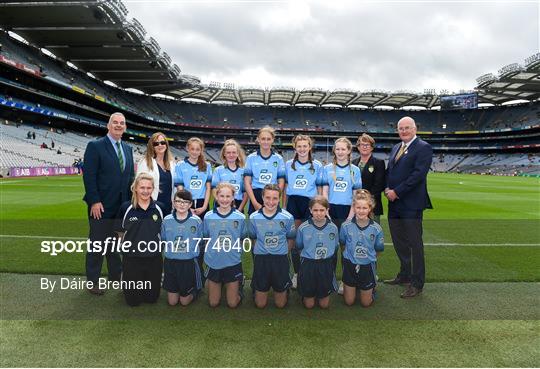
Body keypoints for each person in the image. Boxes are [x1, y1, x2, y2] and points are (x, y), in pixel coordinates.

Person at [82, 112, 134, 295]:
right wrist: (94, 201)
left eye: (122, 123)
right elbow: (89, 176)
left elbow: (130, 178)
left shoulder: (128, 149)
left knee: (115, 244)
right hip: (101, 206)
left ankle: (115, 275)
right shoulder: (95, 146)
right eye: (115, 122)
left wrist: (130, 203)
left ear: (125, 127)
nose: (119, 125)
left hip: (121, 206)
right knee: (97, 244)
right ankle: (93, 281)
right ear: (108, 125)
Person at [384, 116, 433, 298]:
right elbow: (391, 171)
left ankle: (417, 283)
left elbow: (418, 175)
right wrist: (387, 188)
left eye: (407, 128)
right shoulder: (397, 147)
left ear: (415, 129)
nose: (403, 131)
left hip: (411, 204)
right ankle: (404, 275)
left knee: (414, 244)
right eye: (400, 128)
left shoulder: (423, 147)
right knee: (399, 242)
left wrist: (397, 191)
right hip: (394, 203)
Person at [115, 173, 164, 307]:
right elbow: (120, 231)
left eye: (149, 188)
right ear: (135, 188)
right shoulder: (126, 207)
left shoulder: (160, 208)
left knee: (151, 299)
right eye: (142, 187)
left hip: (153, 257)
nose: (145, 191)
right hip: (132, 258)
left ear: (153, 189)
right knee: (133, 301)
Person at [284, 134, 323, 289]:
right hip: (293, 202)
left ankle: (309, 272)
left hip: (310, 203)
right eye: (299, 146)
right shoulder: (288, 164)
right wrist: (284, 207)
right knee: (294, 239)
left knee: (309, 238)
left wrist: (320, 206)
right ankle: (297, 274)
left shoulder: (317, 165)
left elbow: (319, 188)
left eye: (304, 146)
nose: (302, 149)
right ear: (295, 147)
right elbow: (286, 189)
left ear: (309, 147)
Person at [249, 184, 296, 309]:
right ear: (262, 198)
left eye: (275, 198)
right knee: (260, 304)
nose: (271, 202)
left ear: (280, 199)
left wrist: (284, 253)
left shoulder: (287, 217)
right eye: (268, 198)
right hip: (262, 259)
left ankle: (285, 289)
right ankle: (257, 288)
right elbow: (253, 238)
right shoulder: (254, 217)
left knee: (280, 304)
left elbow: (290, 238)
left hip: (280, 259)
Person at [203, 183, 247, 308]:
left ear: (233, 198)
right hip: (214, 261)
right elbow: (206, 237)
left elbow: (242, 239)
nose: (225, 199)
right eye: (221, 196)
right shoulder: (208, 216)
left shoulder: (240, 217)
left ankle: (238, 286)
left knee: (232, 303)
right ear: (216, 196)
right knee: (213, 303)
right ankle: (219, 283)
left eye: (228, 196)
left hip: (232, 262)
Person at [174, 137, 213, 275]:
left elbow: (208, 188)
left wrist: (205, 206)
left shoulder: (207, 166)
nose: (195, 151)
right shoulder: (180, 166)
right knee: (187, 236)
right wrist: (186, 205)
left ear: (201, 150)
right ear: (187, 148)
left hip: (202, 203)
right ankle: (187, 269)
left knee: (202, 239)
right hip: (185, 204)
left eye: (198, 149)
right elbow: (180, 187)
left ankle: (200, 270)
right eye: (192, 149)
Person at [339, 190, 384, 307]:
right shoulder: (345, 226)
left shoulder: (376, 228)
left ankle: (371, 287)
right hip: (350, 265)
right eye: (358, 207)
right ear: (353, 207)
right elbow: (342, 245)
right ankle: (354, 286)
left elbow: (378, 250)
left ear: (370, 208)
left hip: (367, 266)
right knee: (349, 302)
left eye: (364, 208)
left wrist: (367, 258)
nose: (361, 211)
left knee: (365, 303)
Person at [295, 196, 339, 309]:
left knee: (324, 305)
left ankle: (319, 291)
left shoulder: (333, 228)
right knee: (309, 305)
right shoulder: (303, 228)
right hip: (309, 264)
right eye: (315, 210)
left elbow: (334, 247)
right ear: (310, 210)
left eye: (321, 210)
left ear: (327, 210)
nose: (318, 213)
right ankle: (307, 294)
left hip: (325, 265)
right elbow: (299, 247)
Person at [161, 189, 203, 306]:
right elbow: (164, 239)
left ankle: (195, 290)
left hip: (188, 262)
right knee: (172, 302)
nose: (181, 204)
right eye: (178, 201)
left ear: (190, 204)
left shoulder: (196, 221)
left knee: (184, 302)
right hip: (171, 262)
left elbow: (200, 240)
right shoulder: (167, 220)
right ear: (174, 203)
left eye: (185, 202)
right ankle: (178, 288)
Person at [244, 126, 286, 214]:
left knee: (272, 226)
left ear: (272, 140)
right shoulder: (251, 158)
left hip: (272, 195)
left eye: (268, 139)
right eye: (263, 139)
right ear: (258, 140)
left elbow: (281, 182)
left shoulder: (278, 158)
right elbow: (247, 182)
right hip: (255, 195)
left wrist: (275, 197)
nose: (266, 141)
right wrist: (254, 202)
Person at [137, 132, 177, 216]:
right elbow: (138, 186)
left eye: (162, 142)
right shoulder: (145, 162)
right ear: (152, 146)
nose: (160, 145)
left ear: (166, 144)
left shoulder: (172, 163)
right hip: (151, 205)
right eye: (156, 143)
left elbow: (174, 186)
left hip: (169, 205)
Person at [352, 134, 386, 224]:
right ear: (358, 147)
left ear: (371, 147)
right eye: (362, 144)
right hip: (356, 205)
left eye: (367, 145)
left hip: (372, 206)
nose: (364, 147)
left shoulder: (379, 163)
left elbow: (379, 185)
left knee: (372, 234)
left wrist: (365, 199)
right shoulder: (353, 163)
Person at [211, 139, 248, 211]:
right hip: (221, 203)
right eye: (228, 152)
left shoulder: (243, 171)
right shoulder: (218, 170)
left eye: (234, 152)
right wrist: (221, 203)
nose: (231, 155)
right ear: (224, 154)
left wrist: (240, 209)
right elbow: (214, 190)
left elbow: (245, 193)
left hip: (238, 204)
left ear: (238, 154)